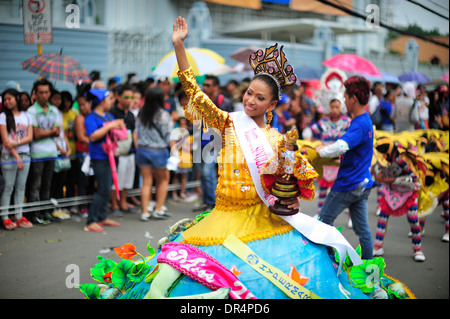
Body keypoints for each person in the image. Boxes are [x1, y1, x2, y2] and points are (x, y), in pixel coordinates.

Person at [316, 75, 375, 260]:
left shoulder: (359, 123)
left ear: (353, 98)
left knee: (324, 220)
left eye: (345, 96)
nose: (344, 100)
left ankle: (327, 263)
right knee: (363, 230)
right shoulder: (365, 120)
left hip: (348, 183)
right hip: (361, 183)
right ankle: (369, 269)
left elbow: (342, 146)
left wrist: (320, 151)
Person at [372, 137, 425, 262]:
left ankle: (417, 249)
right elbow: (376, 167)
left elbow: (414, 178)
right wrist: (378, 173)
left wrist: (394, 180)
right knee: (382, 218)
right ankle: (377, 246)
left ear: (390, 150)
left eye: (384, 151)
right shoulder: (381, 157)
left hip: (407, 191)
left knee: (413, 219)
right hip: (391, 191)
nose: (382, 155)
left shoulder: (403, 159)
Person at [84, 88, 123, 232]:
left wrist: (119, 126)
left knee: (107, 188)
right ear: (101, 102)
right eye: (109, 99)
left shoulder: (109, 115)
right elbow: (92, 136)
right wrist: (111, 126)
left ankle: (102, 216)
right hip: (99, 157)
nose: (111, 102)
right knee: (102, 189)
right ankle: (91, 221)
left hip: (111, 156)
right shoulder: (91, 118)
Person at [304, 98, 351, 218]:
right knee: (323, 187)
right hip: (325, 158)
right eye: (332, 107)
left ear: (341, 107)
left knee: (346, 190)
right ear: (329, 107)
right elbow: (310, 130)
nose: (335, 110)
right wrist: (309, 139)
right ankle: (320, 212)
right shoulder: (323, 122)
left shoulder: (347, 122)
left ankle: (351, 216)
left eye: (337, 107)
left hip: (340, 159)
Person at [134, 86, 174, 221]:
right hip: (158, 151)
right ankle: (158, 209)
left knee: (146, 181)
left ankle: (145, 211)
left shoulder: (141, 113)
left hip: (142, 149)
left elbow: (137, 131)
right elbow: (169, 135)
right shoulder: (163, 114)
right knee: (163, 180)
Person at [26, 79, 61, 225]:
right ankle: (34, 213)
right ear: (35, 93)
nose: (44, 95)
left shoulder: (54, 110)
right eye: (41, 92)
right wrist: (50, 131)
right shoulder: (31, 111)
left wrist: (46, 132)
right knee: (35, 185)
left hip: (52, 153)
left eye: (46, 92)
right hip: (37, 154)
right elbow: (36, 134)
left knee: (47, 184)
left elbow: (57, 131)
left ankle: (46, 211)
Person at [0, 88, 33, 230]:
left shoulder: (26, 116)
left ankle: (19, 216)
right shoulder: (2, 116)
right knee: (8, 187)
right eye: (5, 99)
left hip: (25, 155)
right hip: (9, 156)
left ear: (16, 98)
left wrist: (17, 143)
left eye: (9, 98)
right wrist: (17, 156)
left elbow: (30, 137)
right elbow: (6, 142)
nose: (7, 102)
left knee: (21, 187)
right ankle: (5, 217)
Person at [109, 84, 137, 215]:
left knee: (127, 180)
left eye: (131, 97)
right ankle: (114, 205)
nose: (130, 100)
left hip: (130, 152)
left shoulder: (131, 115)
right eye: (126, 97)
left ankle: (123, 203)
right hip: (118, 153)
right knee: (116, 181)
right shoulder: (112, 114)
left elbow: (134, 133)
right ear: (118, 98)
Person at [74, 88, 95, 218]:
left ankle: (91, 205)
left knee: (92, 181)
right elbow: (81, 137)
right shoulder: (79, 118)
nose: (81, 107)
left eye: (84, 104)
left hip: (92, 153)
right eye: (79, 105)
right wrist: (95, 141)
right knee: (82, 181)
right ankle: (82, 206)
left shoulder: (93, 117)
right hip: (82, 153)